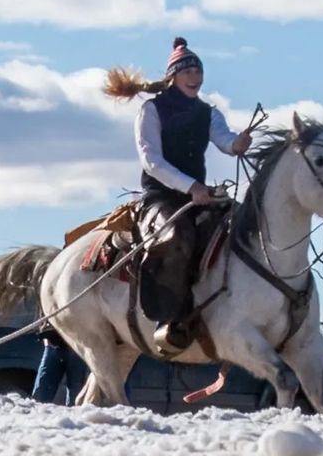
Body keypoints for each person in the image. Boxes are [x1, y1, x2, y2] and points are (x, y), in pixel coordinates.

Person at [105, 37, 252, 357]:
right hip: (161, 197)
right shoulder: (152, 110)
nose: (195, 77)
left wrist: (237, 144)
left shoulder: (208, 113)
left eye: (198, 71)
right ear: (173, 76)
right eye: (188, 71)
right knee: (178, 236)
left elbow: (225, 141)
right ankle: (171, 318)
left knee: (241, 224)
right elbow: (152, 161)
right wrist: (192, 187)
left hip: (199, 196)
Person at [30, 328, 89, 404]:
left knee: (76, 397)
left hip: (78, 346)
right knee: (40, 396)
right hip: (53, 344)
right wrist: (45, 336)